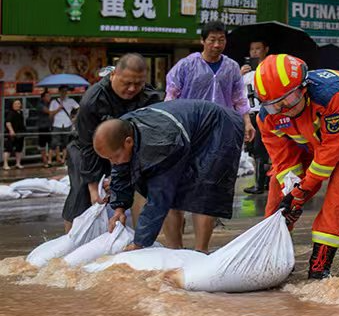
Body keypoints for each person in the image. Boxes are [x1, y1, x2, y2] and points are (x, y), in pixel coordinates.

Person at [255, 54, 339, 278]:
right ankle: (273, 252)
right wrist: (291, 189)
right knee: (279, 188)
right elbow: (283, 158)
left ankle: (320, 263)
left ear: (304, 87)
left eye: (290, 99)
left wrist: (302, 191)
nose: (285, 108)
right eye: (276, 105)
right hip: (310, 133)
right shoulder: (267, 117)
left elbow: (330, 153)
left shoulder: (330, 95)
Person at [98, 100, 244, 252]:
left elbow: (158, 198)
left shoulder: (159, 147)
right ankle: (175, 251)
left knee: (204, 191)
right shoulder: (121, 132)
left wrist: (139, 243)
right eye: (108, 159)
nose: (113, 162)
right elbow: (121, 171)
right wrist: (119, 209)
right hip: (182, 132)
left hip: (218, 126)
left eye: (114, 157)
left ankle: (201, 252)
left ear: (128, 142)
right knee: (173, 198)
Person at [62, 54, 161, 231]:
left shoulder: (149, 97)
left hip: (127, 149)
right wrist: (93, 188)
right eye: (127, 83)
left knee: (143, 189)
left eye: (138, 83)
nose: (132, 89)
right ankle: (71, 241)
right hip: (87, 148)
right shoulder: (93, 100)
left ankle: (141, 240)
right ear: (114, 74)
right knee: (82, 193)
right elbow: (86, 146)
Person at [165, 21, 254, 144]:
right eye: (212, 40)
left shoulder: (232, 67)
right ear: (202, 40)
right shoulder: (186, 65)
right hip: (191, 126)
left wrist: (247, 123)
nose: (217, 45)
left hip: (222, 126)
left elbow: (239, 99)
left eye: (221, 40)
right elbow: (171, 96)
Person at [240, 39, 272, 194]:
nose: (254, 52)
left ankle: (261, 184)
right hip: (249, 113)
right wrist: (239, 74)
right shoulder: (246, 73)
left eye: (258, 48)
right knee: (253, 148)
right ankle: (265, 181)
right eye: (252, 49)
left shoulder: (269, 68)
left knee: (261, 148)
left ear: (265, 49)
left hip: (264, 112)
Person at [49, 85, 79, 166]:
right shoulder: (54, 102)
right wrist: (58, 109)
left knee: (66, 143)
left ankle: (63, 160)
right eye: (62, 91)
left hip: (67, 124)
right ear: (59, 92)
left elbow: (79, 108)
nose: (64, 93)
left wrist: (75, 118)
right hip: (57, 124)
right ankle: (51, 160)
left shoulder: (71, 101)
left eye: (65, 91)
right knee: (54, 143)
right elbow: (50, 114)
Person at [4, 99, 26, 170]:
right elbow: (8, 122)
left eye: (19, 103)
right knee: (8, 149)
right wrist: (11, 131)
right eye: (15, 104)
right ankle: (5, 164)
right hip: (12, 134)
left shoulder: (20, 112)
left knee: (19, 149)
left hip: (20, 134)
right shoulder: (11, 113)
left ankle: (18, 163)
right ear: (12, 105)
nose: (17, 105)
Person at [35, 92, 54, 168]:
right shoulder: (40, 105)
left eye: (50, 96)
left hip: (50, 126)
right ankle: (45, 161)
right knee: (42, 145)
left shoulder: (51, 104)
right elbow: (49, 112)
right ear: (43, 97)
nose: (49, 97)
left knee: (51, 144)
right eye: (47, 96)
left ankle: (49, 160)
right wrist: (59, 108)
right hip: (42, 127)